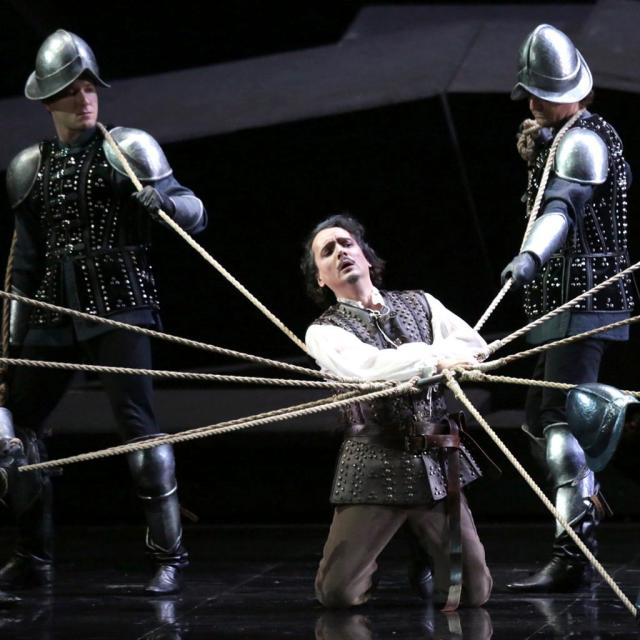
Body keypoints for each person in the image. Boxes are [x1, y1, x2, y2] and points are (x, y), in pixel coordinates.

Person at [1, 29, 208, 595]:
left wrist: (164, 204)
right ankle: (34, 557)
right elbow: (25, 261)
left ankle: (169, 556)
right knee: (17, 432)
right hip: (51, 310)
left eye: (90, 87)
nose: (84, 99)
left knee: (139, 430)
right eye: (72, 90)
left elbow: (195, 209)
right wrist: (12, 344)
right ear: (49, 100)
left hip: (119, 305)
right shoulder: (29, 166)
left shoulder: (128, 148)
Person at [500, 24, 635, 592]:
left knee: (558, 420)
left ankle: (573, 551)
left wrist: (530, 256)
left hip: (586, 302)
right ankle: (584, 505)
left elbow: (562, 206)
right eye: (531, 92)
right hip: (560, 306)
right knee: (539, 420)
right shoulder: (556, 137)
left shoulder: (585, 140)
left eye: (543, 93)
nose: (533, 102)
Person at [301, 213, 492, 609]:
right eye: (327, 251)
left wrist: (445, 357)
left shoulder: (421, 303)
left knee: (472, 593)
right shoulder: (323, 331)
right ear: (320, 277)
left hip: (433, 458)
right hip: (375, 459)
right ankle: (388, 551)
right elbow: (368, 367)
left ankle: (422, 546)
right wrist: (435, 358)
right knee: (338, 594)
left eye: (347, 244)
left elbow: (474, 345)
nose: (340, 252)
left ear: (366, 256)